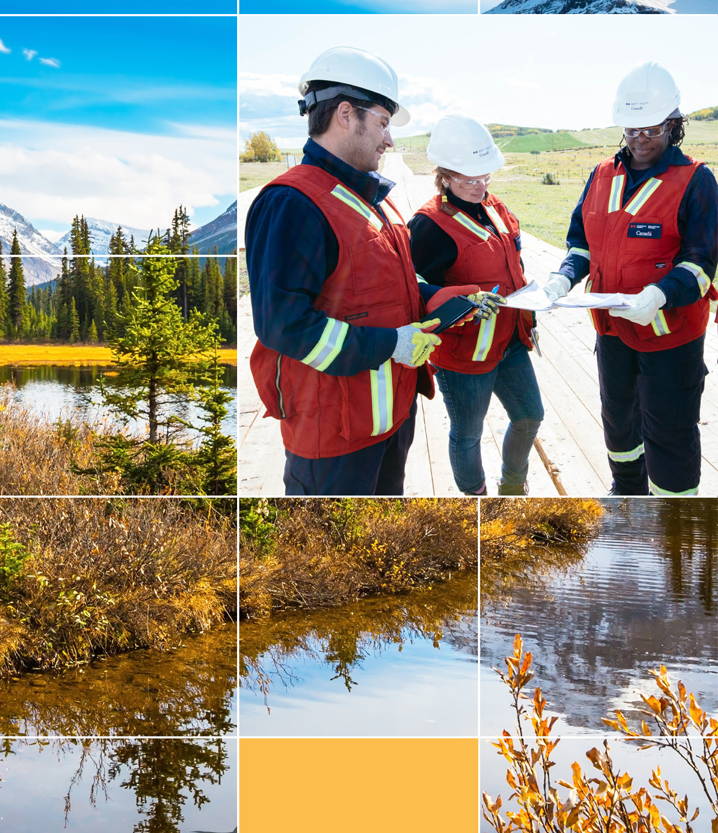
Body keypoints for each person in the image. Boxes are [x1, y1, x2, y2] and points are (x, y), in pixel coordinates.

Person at [245, 46, 502, 495]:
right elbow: (283, 325)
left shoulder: (368, 199)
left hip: (387, 422)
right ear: (346, 114)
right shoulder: (293, 203)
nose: (389, 140)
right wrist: (392, 344)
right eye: (383, 122)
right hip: (333, 441)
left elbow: (393, 289)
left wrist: (450, 301)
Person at [545, 62, 718, 496]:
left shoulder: (696, 181)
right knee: (619, 423)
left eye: (652, 130)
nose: (641, 139)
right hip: (612, 332)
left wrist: (660, 294)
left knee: (670, 434)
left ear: (673, 125)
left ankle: (675, 523)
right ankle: (627, 494)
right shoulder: (602, 175)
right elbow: (581, 243)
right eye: (631, 129)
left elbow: (702, 263)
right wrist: (563, 279)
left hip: (669, 337)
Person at [408, 115, 543, 496]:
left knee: (530, 415)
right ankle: (476, 499)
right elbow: (409, 286)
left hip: (511, 342)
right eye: (469, 179)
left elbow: (510, 259)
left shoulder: (494, 205)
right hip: (464, 355)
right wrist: (460, 300)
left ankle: (513, 488)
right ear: (445, 175)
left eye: (486, 176)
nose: (480, 185)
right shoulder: (429, 225)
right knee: (468, 435)